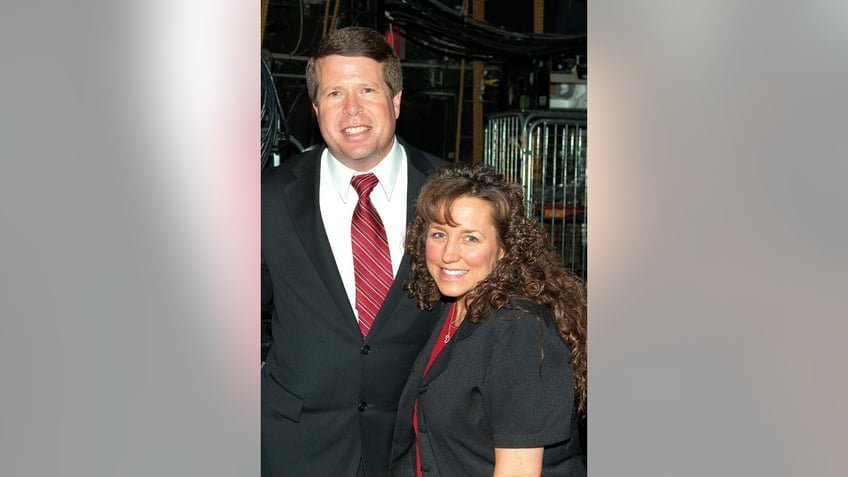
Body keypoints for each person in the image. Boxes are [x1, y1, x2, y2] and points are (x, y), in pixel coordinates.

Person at [261, 26, 445, 477]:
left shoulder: (453, 193)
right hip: (294, 451)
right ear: (316, 107)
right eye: (334, 93)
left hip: (420, 447)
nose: (352, 109)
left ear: (396, 101)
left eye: (366, 89)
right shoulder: (265, 198)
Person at [389, 162, 588, 476]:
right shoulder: (451, 307)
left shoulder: (518, 330)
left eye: (471, 239)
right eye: (439, 234)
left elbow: (518, 471)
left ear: (504, 250)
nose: (448, 254)